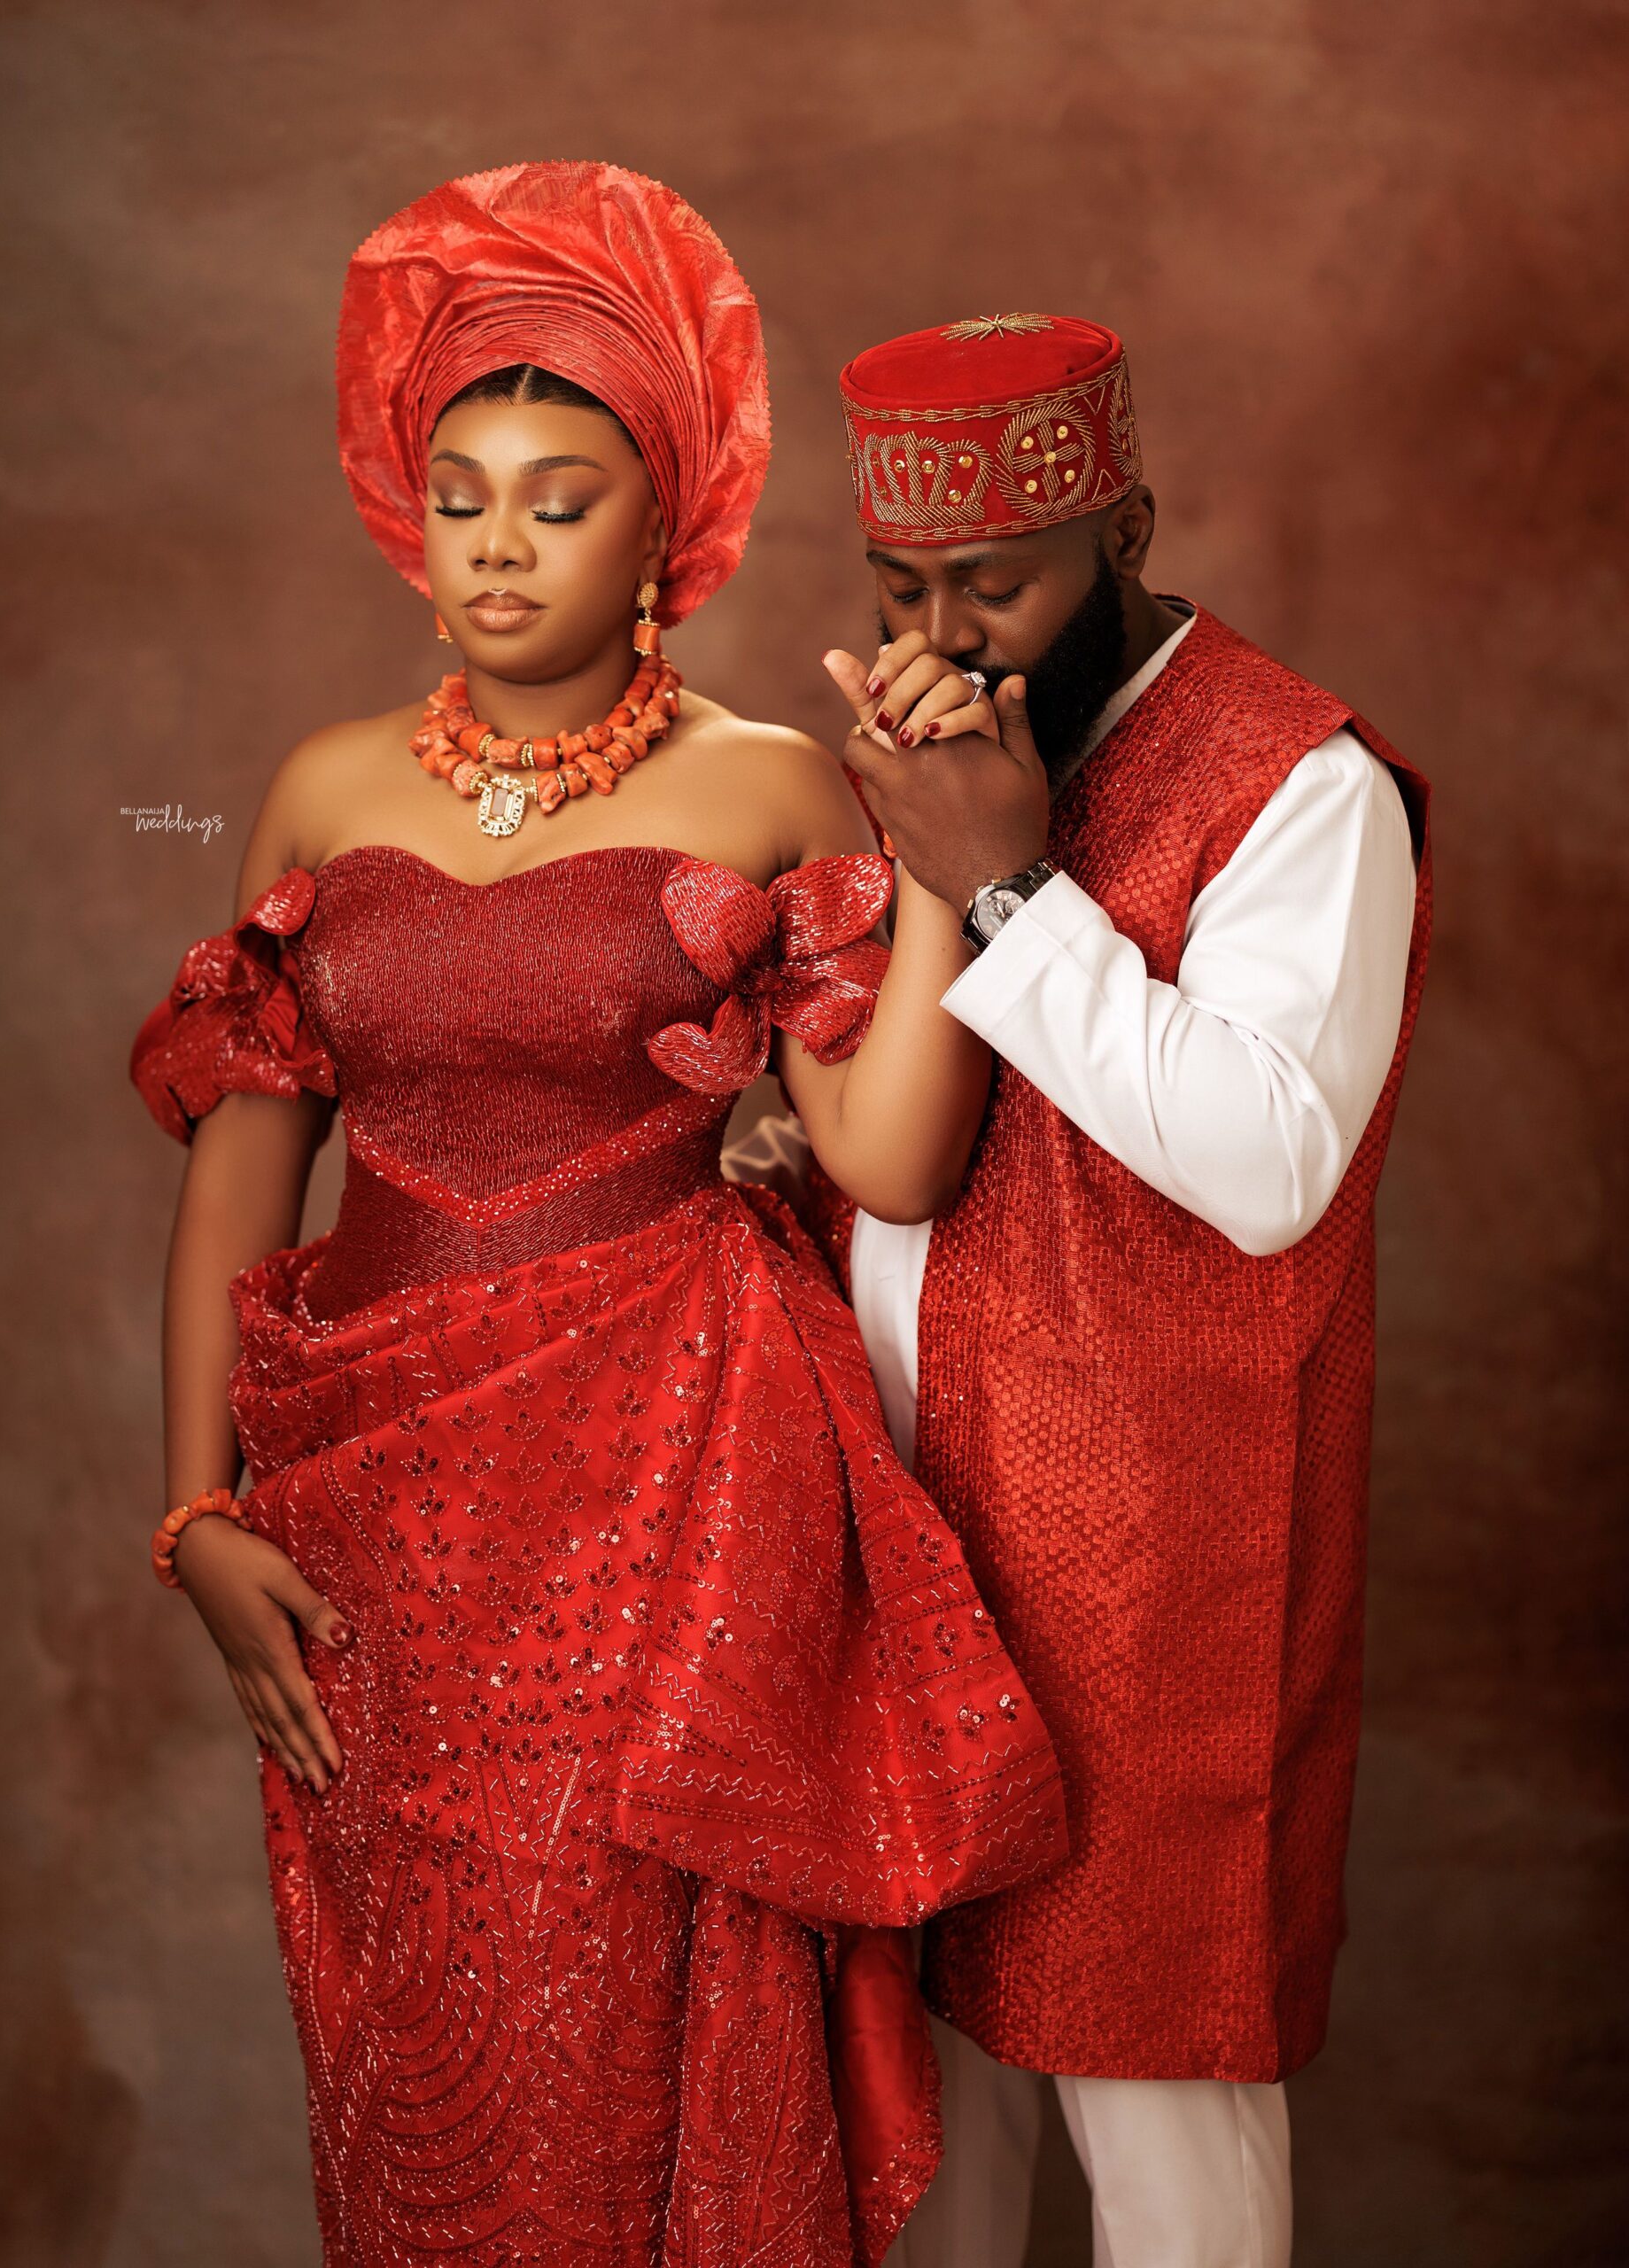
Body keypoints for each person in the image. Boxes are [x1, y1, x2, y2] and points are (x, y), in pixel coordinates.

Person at [128, 172, 1067, 2268]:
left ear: (668, 530)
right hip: (379, 1532)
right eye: (458, 496)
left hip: (669, 1499)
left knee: (629, 2020)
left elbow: (895, 1156)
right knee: (417, 2051)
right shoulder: (324, 789)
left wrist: (943, 870)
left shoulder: (769, 785)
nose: (496, 542)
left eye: (558, 502)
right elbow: (239, 1184)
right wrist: (194, 1512)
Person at [750, 312, 1432, 2267]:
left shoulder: (1301, 783)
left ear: (1124, 529)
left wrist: (1006, 885)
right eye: (900, 586)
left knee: (1163, 2138)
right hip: (920, 1545)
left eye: (996, 582)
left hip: (1161, 1597)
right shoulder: (938, 750)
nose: (944, 634)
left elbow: (1268, 1161)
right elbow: (933, 1135)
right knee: (923, 2143)